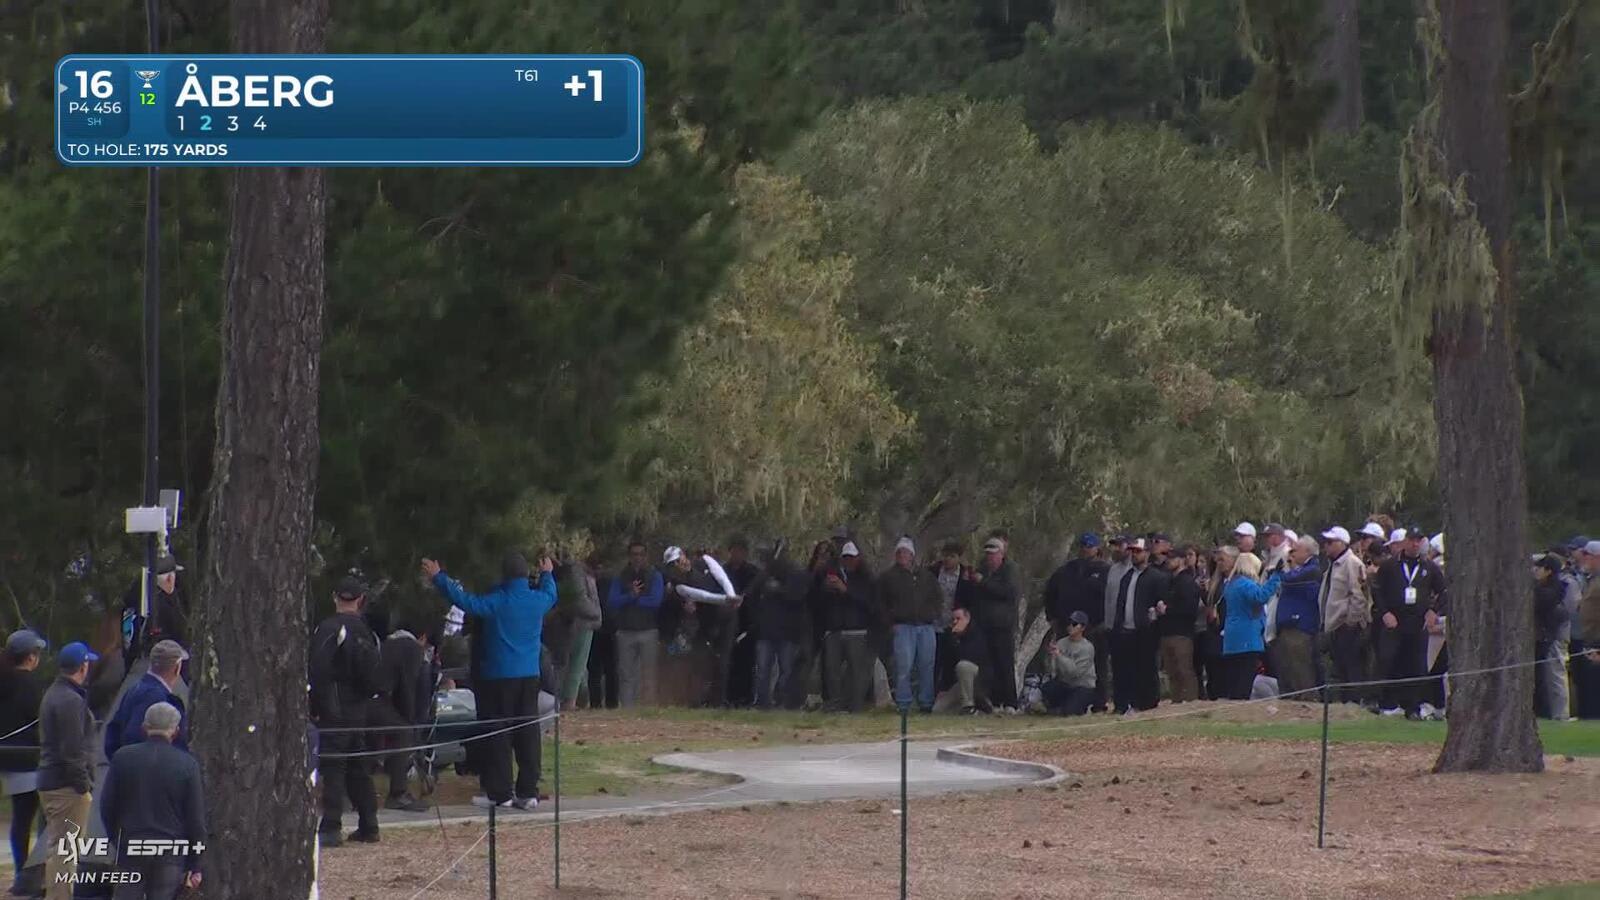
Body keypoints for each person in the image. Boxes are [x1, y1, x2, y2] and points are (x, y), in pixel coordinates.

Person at [424, 552, 557, 810]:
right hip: (529, 675)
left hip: (499, 676)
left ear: (504, 576)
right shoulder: (537, 600)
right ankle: (528, 791)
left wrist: (440, 578)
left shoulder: (497, 601)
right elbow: (552, 594)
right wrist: (548, 573)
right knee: (528, 733)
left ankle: (500, 792)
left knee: (499, 734)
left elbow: (465, 601)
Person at [101, 703, 204, 899]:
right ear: (175, 731)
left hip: (130, 847)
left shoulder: (122, 758)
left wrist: (116, 839)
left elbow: (107, 806)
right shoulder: (188, 765)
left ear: (144, 727)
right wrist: (195, 864)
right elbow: (195, 820)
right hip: (170, 852)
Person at [309, 576, 382, 845]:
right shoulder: (367, 633)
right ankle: (369, 823)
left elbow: (318, 669)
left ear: (334, 597)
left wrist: (316, 705)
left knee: (334, 765)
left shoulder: (328, 629)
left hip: (334, 706)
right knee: (359, 765)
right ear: (360, 600)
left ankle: (331, 824)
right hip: (359, 707)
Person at [39, 641, 97, 900]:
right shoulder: (69, 700)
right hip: (66, 787)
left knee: (60, 849)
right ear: (83, 666)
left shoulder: (56, 693)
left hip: (54, 781)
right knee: (66, 851)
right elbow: (72, 750)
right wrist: (83, 786)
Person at [1372, 528, 1447, 716]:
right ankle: (1387, 703)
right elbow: (1378, 591)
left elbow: (1444, 591)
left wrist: (1433, 611)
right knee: (1390, 661)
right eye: (1412, 540)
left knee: (1416, 665)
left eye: (1418, 540)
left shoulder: (1428, 566)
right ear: (1405, 541)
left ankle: (1413, 707)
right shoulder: (1390, 566)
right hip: (1395, 622)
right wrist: (1385, 613)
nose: (1415, 544)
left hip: (1417, 623)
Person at [0, 630, 46, 898]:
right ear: (30, 657)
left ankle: (22, 873)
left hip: (9, 759)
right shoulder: (31, 686)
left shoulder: (4, 681)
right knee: (42, 820)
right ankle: (32, 877)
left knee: (20, 819)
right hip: (31, 760)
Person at [1044, 534, 1111, 712]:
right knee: (1064, 664)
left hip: (1096, 626)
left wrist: (1106, 620)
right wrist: (1052, 617)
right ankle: (1064, 700)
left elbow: (1111, 598)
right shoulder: (1067, 570)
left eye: (1089, 546)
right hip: (1069, 627)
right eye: (1083, 546)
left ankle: (1099, 701)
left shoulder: (1105, 571)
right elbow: (1050, 592)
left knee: (1098, 666)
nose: (1085, 549)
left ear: (1097, 548)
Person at [880, 537, 944, 713]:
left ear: (912, 555)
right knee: (904, 666)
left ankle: (926, 702)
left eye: (905, 552)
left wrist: (934, 614)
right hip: (903, 626)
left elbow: (938, 597)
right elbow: (880, 603)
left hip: (925, 626)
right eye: (899, 552)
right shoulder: (888, 577)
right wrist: (890, 622)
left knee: (926, 665)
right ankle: (904, 702)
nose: (902, 555)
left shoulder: (926, 576)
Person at [375, 622, 430, 812]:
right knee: (403, 732)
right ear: (422, 638)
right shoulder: (412, 648)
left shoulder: (387, 644)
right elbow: (407, 686)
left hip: (362, 700)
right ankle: (398, 793)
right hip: (375, 701)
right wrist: (410, 717)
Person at [961, 537, 1021, 710]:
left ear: (1001, 554)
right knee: (989, 665)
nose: (990, 558)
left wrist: (983, 582)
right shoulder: (983, 570)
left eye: (993, 554)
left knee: (1005, 664)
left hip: (1003, 624)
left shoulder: (1010, 570)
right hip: (984, 624)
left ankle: (1011, 703)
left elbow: (1008, 592)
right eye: (987, 554)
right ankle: (994, 701)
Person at [819, 542, 880, 712]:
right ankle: (835, 704)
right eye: (845, 558)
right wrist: (827, 589)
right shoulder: (831, 574)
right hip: (834, 630)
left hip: (857, 630)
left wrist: (845, 590)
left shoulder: (866, 579)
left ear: (858, 559)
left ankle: (856, 706)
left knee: (857, 672)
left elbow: (869, 604)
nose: (849, 561)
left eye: (852, 558)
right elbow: (819, 602)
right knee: (832, 670)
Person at [104, 639, 189, 761]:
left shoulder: (134, 689)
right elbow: (135, 737)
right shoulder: (157, 698)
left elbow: (113, 731)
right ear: (177, 668)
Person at [749, 551, 811, 710]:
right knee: (763, 669)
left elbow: (798, 599)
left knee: (787, 670)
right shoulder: (762, 577)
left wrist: (780, 590)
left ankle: (784, 702)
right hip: (766, 631)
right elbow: (751, 596)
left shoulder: (795, 576)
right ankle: (763, 702)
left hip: (788, 632)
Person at [608, 542, 664, 708]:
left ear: (646, 556)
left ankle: (647, 708)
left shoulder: (655, 575)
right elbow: (612, 601)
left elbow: (655, 601)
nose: (637, 558)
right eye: (634, 554)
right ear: (629, 556)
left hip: (649, 630)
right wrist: (630, 596)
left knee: (649, 673)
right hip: (626, 631)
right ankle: (627, 708)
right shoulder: (620, 576)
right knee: (626, 674)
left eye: (641, 554)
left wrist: (633, 599)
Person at [1318, 526, 1371, 702]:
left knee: (1351, 665)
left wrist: (1351, 621)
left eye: (1330, 542)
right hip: (1333, 624)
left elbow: (1359, 595)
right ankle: (1342, 701)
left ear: (1342, 543)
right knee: (1339, 666)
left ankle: (1354, 702)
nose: (1326, 546)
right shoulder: (1333, 565)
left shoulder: (1352, 564)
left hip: (1347, 625)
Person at [1219, 554, 1282, 700]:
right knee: (1244, 678)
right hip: (1247, 637)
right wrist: (1275, 577)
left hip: (1233, 638)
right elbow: (1260, 596)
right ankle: (1241, 706)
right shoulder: (1244, 584)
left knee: (1235, 677)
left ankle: (1234, 703)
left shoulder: (1231, 584)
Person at [1271, 536, 1324, 697]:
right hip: (1288, 625)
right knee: (1286, 668)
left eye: (1296, 550)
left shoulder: (1312, 569)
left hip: (1300, 626)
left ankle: (1309, 701)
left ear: (1307, 551)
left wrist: (1280, 569)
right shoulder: (1301, 569)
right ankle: (1291, 702)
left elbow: (1287, 579)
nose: (1292, 553)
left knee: (1300, 668)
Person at [120, 555, 189, 668]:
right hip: (160, 667)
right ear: (169, 579)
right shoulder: (163, 606)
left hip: (132, 666)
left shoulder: (133, 601)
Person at [715, 539, 761, 708]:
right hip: (726, 624)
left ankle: (745, 699)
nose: (737, 554)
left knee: (746, 663)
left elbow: (756, 595)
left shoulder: (753, 573)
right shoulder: (722, 571)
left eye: (741, 551)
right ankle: (726, 698)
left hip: (747, 624)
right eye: (734, 550)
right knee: (727, 663)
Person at [557, 553, 602, 713]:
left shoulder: (579, 571)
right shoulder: (576, 571)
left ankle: (577, 700)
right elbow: (579, 600)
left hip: (582, 622)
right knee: (576, 664)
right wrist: (596, 613)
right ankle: (569, 702)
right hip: (581, 623)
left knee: (580, 667)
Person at [1156, 546, 1201, 703]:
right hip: (1167, 631)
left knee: (1184, 670)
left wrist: (1168, 610)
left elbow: (1189, 609)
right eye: (1167, 558)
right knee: (1172, 671)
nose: (1168, 561)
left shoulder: (1187, 582)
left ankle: (1190, 701)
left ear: (1182, 559)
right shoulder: (1169, 581)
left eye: (1172, 558)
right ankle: (1176, 700)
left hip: (1182, 633)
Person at [933, 607, 993, 714]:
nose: (955, 622)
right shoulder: (950, 637)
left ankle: (968, 706)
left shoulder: (977, 634)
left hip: (978, 681)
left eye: (958, 618)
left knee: (963, 666)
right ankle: (977, 711)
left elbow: (968, 657)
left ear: (967, 619)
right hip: (960, 683)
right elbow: (947, 666)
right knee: (938, 710)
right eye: (953, 619)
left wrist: (956, 642)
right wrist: (943, 688)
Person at [1038, 612, 1097, 715]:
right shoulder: (1061, 643)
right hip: (1065, 684)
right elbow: (1055, 670)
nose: (1070, 626)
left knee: (1070, 712)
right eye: (1069, 623)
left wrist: (1059, 655)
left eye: (1074, 624)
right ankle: (1056, 707)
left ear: (1082, 628)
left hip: (1082, 686)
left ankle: (1082, 707)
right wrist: (1051, 656)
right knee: (1047, 688)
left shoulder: (1087, 648)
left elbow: (1075, 673)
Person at [1195, 546, 1234, 701]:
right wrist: (1204, 593)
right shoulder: (1216, 582)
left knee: (1226, 670)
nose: (1219, 563)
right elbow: (1211, 602)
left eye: (1222, 560)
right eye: (1217, 560)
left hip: (1228, 629)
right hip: (1213, 630)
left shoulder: (1237, 581)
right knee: (1213, 668)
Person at [1534, 555, 1570, 719]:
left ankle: (1560, 714)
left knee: (1555, 673)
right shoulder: (1545, 587)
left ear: (1548, 571)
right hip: (1546, 635)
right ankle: (1548, 712)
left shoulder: (1552, 590)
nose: (1535, 570)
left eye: (1539, 568)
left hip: (1554, 635)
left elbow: (1541, 603)